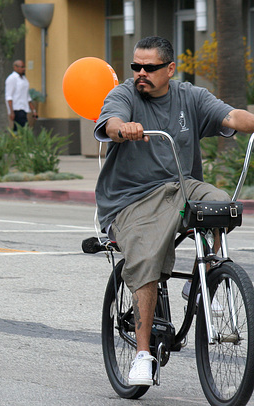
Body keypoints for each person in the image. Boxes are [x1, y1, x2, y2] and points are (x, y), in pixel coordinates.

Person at [94, 36, 254, 386]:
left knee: (221, 204)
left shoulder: (189, 96)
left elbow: (231, 115)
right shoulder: (124, 95)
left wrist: (251, 120)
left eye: (149, 67)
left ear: (169, 69)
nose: (140, 73)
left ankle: (208, 273)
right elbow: (110, 122)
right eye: (135, 66)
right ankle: (141, 355)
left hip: (181, 187)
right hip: (131, 199)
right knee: (147, 258)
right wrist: (123, 128)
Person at [5, 60, 37, 130]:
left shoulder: (24, 79)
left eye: (24, 67)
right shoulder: (12, 78)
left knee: (21, 128)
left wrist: (33, 110)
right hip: (16, 108)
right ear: (15, 67)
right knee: (22, 128)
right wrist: (11, 112)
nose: (23, 69)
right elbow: (9, 96)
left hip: (24, 108)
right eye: (21, 67)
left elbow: (27, 96)